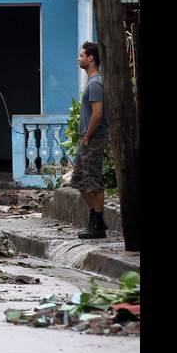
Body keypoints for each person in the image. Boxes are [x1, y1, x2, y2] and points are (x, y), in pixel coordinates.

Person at [72, 41, 110, 239]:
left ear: (90, 58)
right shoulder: (92, 81)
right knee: (79, 180)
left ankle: (97, 224)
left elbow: (97, 114)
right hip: (87, 138)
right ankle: (96, 219)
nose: (78, 58)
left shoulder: (95, 83)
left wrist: (87, 137)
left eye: (81, 55)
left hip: (93, 138)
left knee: (93, 181)